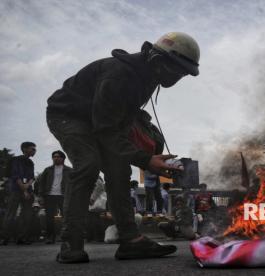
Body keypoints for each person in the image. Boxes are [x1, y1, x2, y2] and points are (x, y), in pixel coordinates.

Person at [46, 32, 200, 263]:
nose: (179, 77)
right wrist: (145, 160)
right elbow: (105, 129)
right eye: (177, 70)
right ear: (158, 61)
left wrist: (145, 151)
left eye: (184, 73)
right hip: (69, 115)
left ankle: (130, 241)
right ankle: (71, 242)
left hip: (102, 120)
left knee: (118, 171)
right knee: (88, 164)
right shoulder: (118, 76)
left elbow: (121, 121)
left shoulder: (149, 76)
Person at [1, 142, 36, 245]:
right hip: (15, 190)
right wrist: (24, 189)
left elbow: (32, 177)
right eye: (32, 149)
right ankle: (4, 238)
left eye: (35, 149)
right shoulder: (15, 160)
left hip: (27, 190)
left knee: (26, 214)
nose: (34, 151)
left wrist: (28, 186)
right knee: (10, 214)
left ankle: (22, 238)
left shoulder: (31, 163)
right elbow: (16, 175)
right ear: (25, 149)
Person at [36, 150, 71, 244]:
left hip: (64, 195)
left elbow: (73, 184)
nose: (56, 158)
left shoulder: (69, 170)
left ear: (63, 158)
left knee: (66, 216)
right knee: (49, 218)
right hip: (49, 195)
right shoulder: (48, 170)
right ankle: (50, 237)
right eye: (54, 156)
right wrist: (40, 196)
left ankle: (66, 236)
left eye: (58, 156)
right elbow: (41, 184)